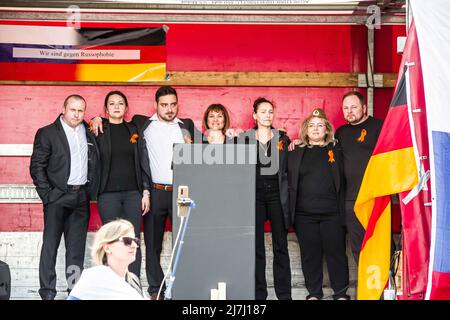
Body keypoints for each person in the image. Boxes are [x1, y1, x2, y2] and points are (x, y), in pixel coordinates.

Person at [90, 85, 202, 300]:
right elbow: (112, 120)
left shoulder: (186, 125)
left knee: (184, 242)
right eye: (164, 105)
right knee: (152, 244)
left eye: (173, 104)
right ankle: (155, 290)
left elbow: (207, 143)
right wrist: (95, 117)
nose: (169, 109)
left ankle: (183, 288)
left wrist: (230, 134)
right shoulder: (142, 124)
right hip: (155, 191)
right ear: (156, 106)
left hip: (182, 191)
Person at [30, 95, 100, 300]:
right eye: (73, 110)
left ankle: (74, 292)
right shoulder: (48, 133)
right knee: (50, 247)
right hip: (57, 197)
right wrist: (48, 195)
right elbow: (37, 166)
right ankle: (47, 293)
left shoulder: (88, 131)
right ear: (63, 109)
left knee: (76, 251)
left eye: (81, 111)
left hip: (81, 198)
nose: (77, 114)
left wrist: (97, 118)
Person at [288, 108, 349, 300]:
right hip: (304, 215)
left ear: (327, 129)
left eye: (320, 125)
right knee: (310, 255)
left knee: (336, 253)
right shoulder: (296, 151)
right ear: (305, 130)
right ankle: (314, 294)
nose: (315, 129)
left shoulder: (337, 150)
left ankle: (340, 293)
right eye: (311, 126)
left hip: (332, 213)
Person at [95, 90, 150, 278]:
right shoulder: (98, 130)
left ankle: (133, 285)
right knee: (111, 242)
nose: (116, 106)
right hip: (107, 195)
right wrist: (95, 119)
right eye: (112, 104)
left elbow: (143, 161)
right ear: (106, 109)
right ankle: (112, 284)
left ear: (126, 108)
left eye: (120, 103)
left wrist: (145, 191)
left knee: (132, 241)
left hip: (132, 195)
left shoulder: (134, 129)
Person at [242, 97, 292, 300]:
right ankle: (259, 295)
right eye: (263, 111)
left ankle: (284, 295)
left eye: (270, 111)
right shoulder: (244, 139)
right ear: (254, 115)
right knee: (256, 247)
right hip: (255, 196)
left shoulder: (283, 139)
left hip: (277, 196)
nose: (267, 115)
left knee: (281, 246)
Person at [334, 91, 383, 265]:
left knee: (381, 244)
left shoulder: (379, 126)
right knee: (357, 246)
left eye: (353, 107)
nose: (349, 111)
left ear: (363, 107)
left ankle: (387, 288)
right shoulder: (341, 132)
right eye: (346, 108)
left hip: (374, 197)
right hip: (350, 199)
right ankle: (367, 288)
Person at [68, 219, 147, 300]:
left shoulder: (134, 280)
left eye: (136, 241)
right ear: (107, 248)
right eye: (127, 241)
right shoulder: (93, 280)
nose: (134, 245)